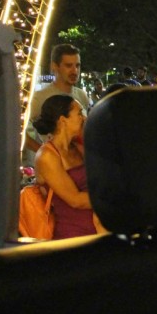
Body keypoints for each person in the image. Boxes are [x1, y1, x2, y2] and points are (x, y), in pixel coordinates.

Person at [33, 95, 102, 239]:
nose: (83, 118)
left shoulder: (77, 147)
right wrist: (112, 199)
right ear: (63, 120)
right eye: (79, 113)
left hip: (98, 230)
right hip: (73, 235)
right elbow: (75, 200)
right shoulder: (47, 156)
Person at [24, 44, 91, 160]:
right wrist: (43, 151)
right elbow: (18, 129)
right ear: (55, 66)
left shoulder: (81, 95)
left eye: (77, 66)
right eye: (68, 65)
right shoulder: (39, 98)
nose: (74, 71)